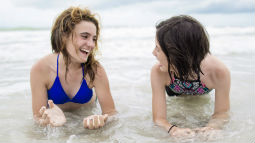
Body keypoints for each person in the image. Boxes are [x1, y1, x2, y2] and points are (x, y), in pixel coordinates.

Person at [30, 7, 116, 129]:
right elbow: (37, 119)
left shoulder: (95, 70)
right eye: (85, 36)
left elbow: (112, 114)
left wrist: (101, 120)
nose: (91, 44)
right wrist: (48, 122)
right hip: (59, 119)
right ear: (64, 36)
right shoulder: (40, 69)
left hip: (85, 114)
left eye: (94, 39)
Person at [151, 15, 230, 137]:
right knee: (181, 109)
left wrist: (212, 127)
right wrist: (173, 129)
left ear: (175, 54)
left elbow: (221, 113)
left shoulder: (218, 72)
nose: (153, 53)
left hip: (201, 86)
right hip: (174, 89)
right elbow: (159, 119)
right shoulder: (159, 72)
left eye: (158, 48)